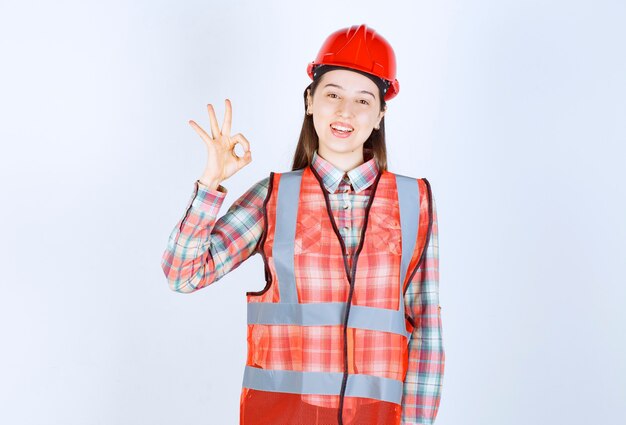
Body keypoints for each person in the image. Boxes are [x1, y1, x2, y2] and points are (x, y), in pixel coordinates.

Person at [161, 24, 445, 425]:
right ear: (310, 101)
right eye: (332, 95)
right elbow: (183, 275)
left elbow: (426, 328)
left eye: (363, 100)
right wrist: (211, 183)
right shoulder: (274, 196)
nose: (345, 111)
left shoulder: (414, 200)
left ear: (381, 114)